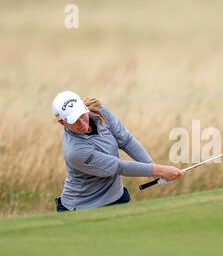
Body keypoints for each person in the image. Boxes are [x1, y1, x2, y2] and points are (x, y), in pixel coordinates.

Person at [52, 90, 183, 212]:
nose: (82, 122)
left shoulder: (99, 112)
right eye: (74, 120)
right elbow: (117, 167)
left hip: (116, 196)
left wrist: (153, 167)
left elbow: (126, 140)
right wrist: (160, 170)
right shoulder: (75, 151)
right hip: (84, 206)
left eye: (82, 115)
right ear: (62, 122)